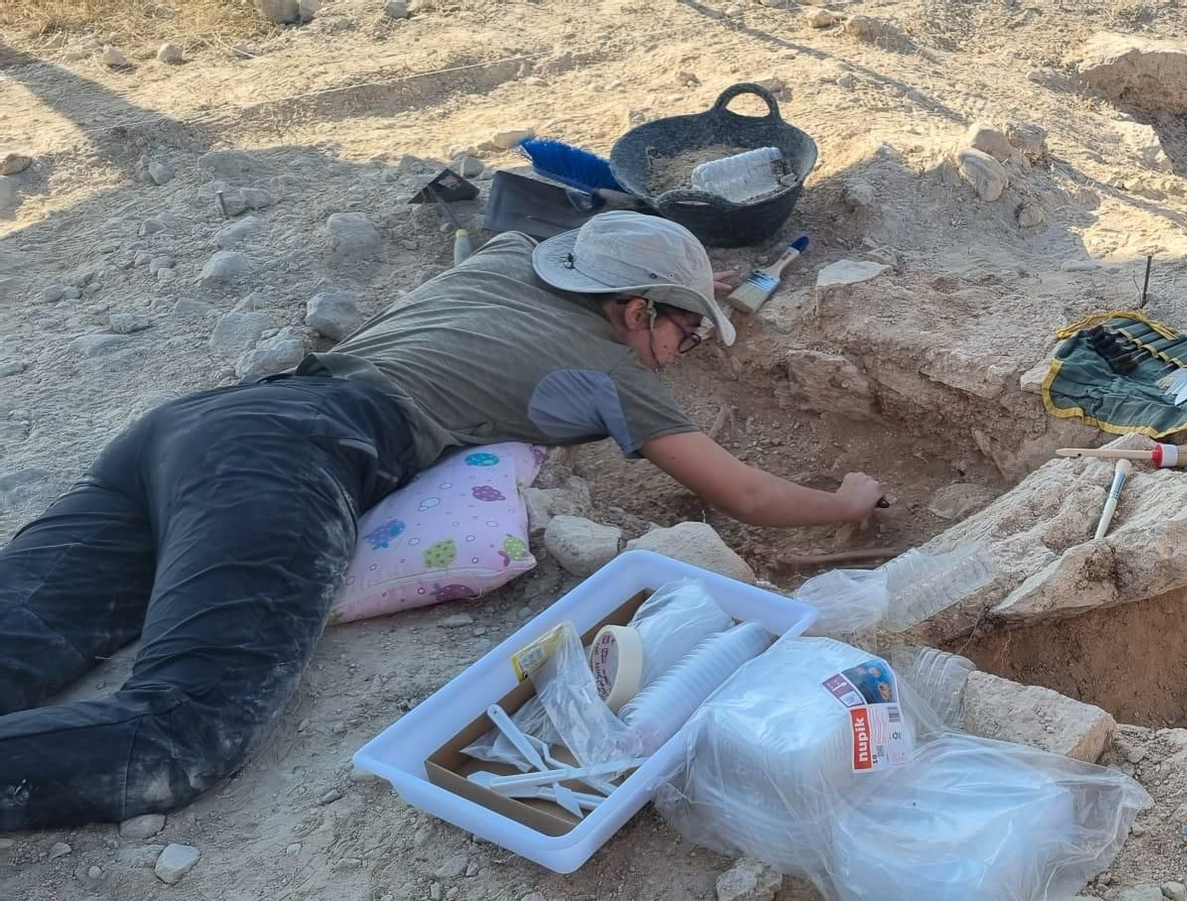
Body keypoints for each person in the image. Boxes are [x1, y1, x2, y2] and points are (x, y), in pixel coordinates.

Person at [0, 212, 884, 830]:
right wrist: (848, 500)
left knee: (20, 635)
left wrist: (685, 283)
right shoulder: (611, 372)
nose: (686, 354)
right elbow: (751, 499)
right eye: (689, 334)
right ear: (636, 310)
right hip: (295, 460)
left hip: (191, 428)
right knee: (183, 729)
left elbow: (590, 246)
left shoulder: (504, 259)